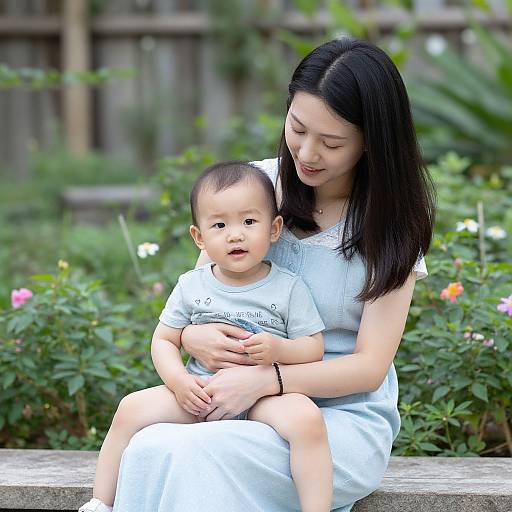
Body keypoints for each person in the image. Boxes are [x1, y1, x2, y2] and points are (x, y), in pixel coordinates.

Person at [112, 37, 435, 512]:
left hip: (334, 422)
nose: (306, 153)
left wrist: (270, 380)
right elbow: (201, 298)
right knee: (150, 446)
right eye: (297, 128)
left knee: (200, 454)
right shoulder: (254, 191)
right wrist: (194, 339)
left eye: (331, 142)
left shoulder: (391, 225)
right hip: (230, 398)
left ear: (373, 142)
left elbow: (369, 366)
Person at [79, 161, 332, 512]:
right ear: (199, 237)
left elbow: (313, 348)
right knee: (130, 408)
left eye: (249, 221)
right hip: (201, 392)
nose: (235, 234)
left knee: (306, 419)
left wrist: (278, 348)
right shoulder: (192, 285)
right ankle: (99, 503)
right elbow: (164, 340)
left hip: (261, 397)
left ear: (274, 229)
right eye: (219, 224)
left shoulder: (289, 288)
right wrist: (180, 382)